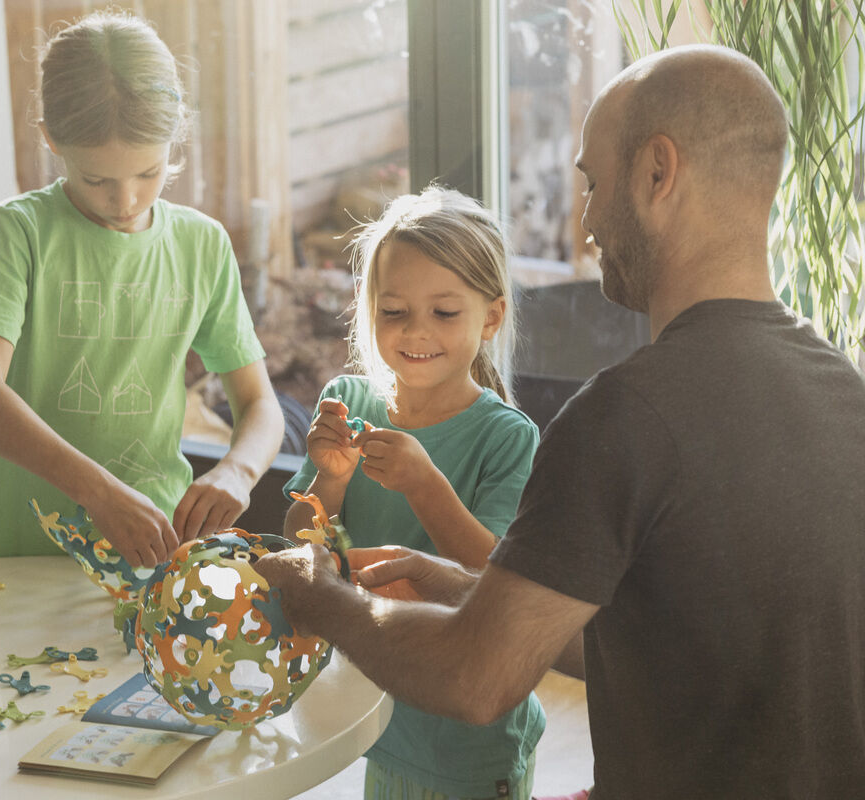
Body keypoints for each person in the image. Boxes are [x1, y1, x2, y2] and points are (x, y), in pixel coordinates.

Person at [257, 44, 865, 799]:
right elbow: (673, 646)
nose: (587, 219)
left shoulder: (626, 417)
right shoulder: (843, 390)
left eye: (593, 182)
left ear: (657, 172)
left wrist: (318, 594)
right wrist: (467, 587)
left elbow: (476, 681)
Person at [0, 11, 283, 564]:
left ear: (175, 137)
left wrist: (238, 472)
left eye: (148, 173)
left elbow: (259, 403)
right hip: (27, 553)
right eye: (96, 178)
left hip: (158, 552)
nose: (125, 201)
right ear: (51, 138)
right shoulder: (17, 232)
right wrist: (98, 492)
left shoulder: (202, 243)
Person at [282, 186, 542, 799]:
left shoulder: (508, 437)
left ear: (491, 317)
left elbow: (494, 579)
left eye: (444, 313)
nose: (415, 331)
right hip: (377, 710)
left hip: (470, 737)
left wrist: (426, 485)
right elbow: (297, 548)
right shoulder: (347, 400)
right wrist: (331, 479)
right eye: (394, 310)